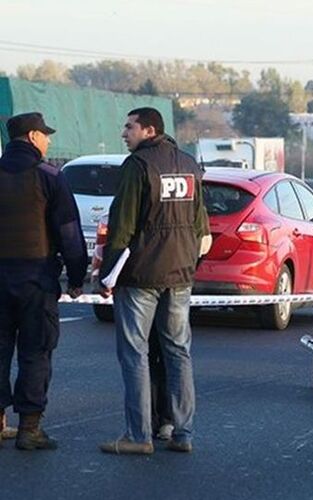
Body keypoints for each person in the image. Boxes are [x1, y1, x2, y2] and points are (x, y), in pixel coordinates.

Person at [98, 108, 210, 455]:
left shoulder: (138, 166)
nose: (123, 133)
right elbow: (199, 224)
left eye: (129, 127)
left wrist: (108, 275)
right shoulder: (189, 164)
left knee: (134, 354)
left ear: (149, 130)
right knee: (179, 353)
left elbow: (123, 226)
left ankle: (138, 436)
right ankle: (183, 433)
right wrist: (189, 261)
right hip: (179, 274)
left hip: (142, 275)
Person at [0, 112, 87, 450]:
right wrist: (77, 278)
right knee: (36, 351)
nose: (48, 140)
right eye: (45, 135)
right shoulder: (50, 176)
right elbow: (69, 233)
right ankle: (29, 428)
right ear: (33, 136)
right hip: (36, 279)